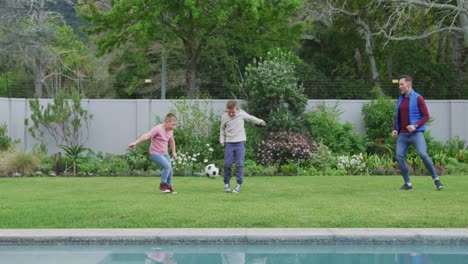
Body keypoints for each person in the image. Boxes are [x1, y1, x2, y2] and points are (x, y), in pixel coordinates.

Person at [391, 75, 444, 191]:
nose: (400, 87)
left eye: (401, 84)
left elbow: (426, 116)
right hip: (403, 135)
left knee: (423, 154)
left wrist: (415, 126)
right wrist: (395, 128)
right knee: (399, 157)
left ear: (409, 84)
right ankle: (408, 184)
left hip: (416, 134)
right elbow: (397, 116)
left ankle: (436, 180)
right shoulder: (400, 99)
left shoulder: (418, 98)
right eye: (399, 84)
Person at [220, 100, 266, 193]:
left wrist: (260, 121)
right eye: (229, 112)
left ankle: (238, 184)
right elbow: (222, 129)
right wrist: (222, 140)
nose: (231, 114)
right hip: (229, 143)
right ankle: (226, 183)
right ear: (227, 110)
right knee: (227, 164)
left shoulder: (241, 114)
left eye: (233, 112)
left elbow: (251, 118)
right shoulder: (224, 117)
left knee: (239, 164)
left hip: (240, 142)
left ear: (237, 109)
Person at [128, 113, 177, 193]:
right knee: (167, 166)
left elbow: (172, 141)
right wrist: (135, 142)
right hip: (155, 153)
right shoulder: (157, 129)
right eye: (172, 125)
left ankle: (169, 187)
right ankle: (163, 185)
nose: (174, 127)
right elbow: (146, 136)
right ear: (167, 122)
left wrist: (174, 152)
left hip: (165, 153)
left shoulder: (170, 131)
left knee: (170, 170)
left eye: (175, 125)